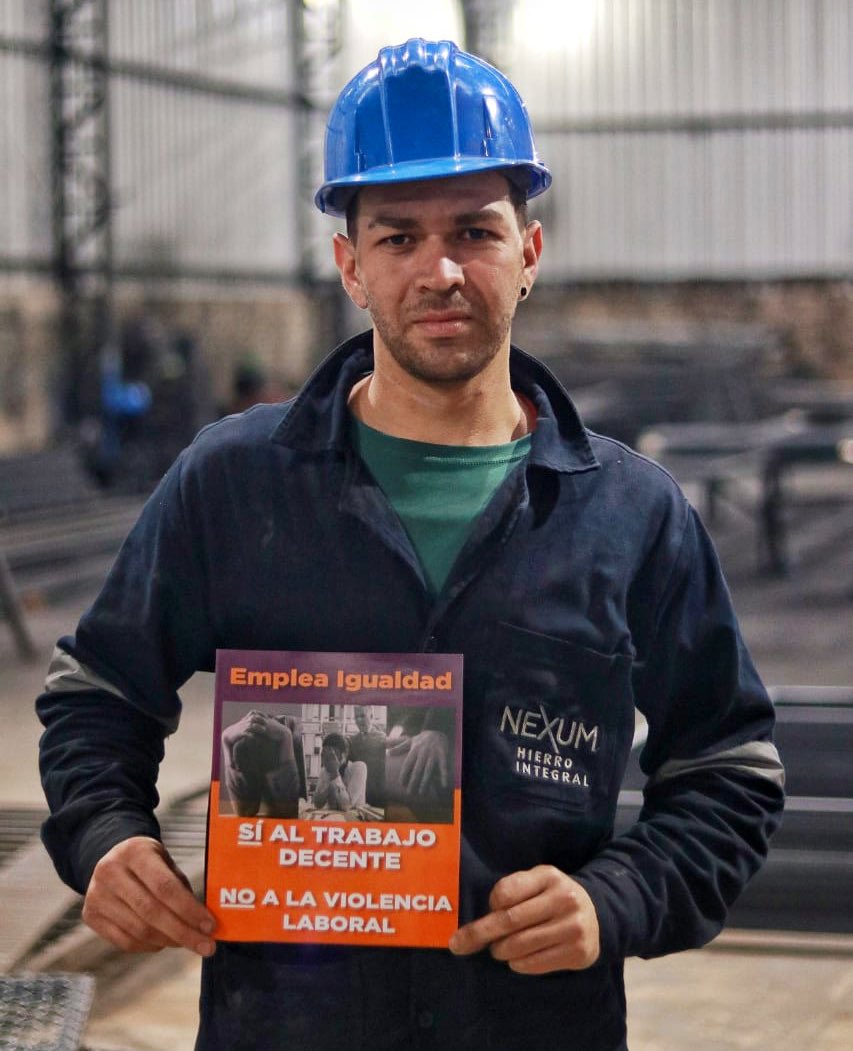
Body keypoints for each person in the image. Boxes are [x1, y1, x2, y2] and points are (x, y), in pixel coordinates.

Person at [36, 38, 784, 1051]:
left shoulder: (631, 516)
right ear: (350, 265)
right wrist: (106, 835)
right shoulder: (233, 485)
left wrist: (618, 899)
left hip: (532, 1028)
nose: (438, 270)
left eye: (474, 231)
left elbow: (727, 766)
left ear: (529, 251)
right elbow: (98, 698)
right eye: (397, 237)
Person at [312, 732, 367, 810]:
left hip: (354, 817)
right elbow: (318, 804)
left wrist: (334, 773)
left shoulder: (359, 767)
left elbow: (346, 806)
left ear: (345, 754)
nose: (329, 757)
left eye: (333, 753)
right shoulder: (325, 770)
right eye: (326, 753)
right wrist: (328, 774)